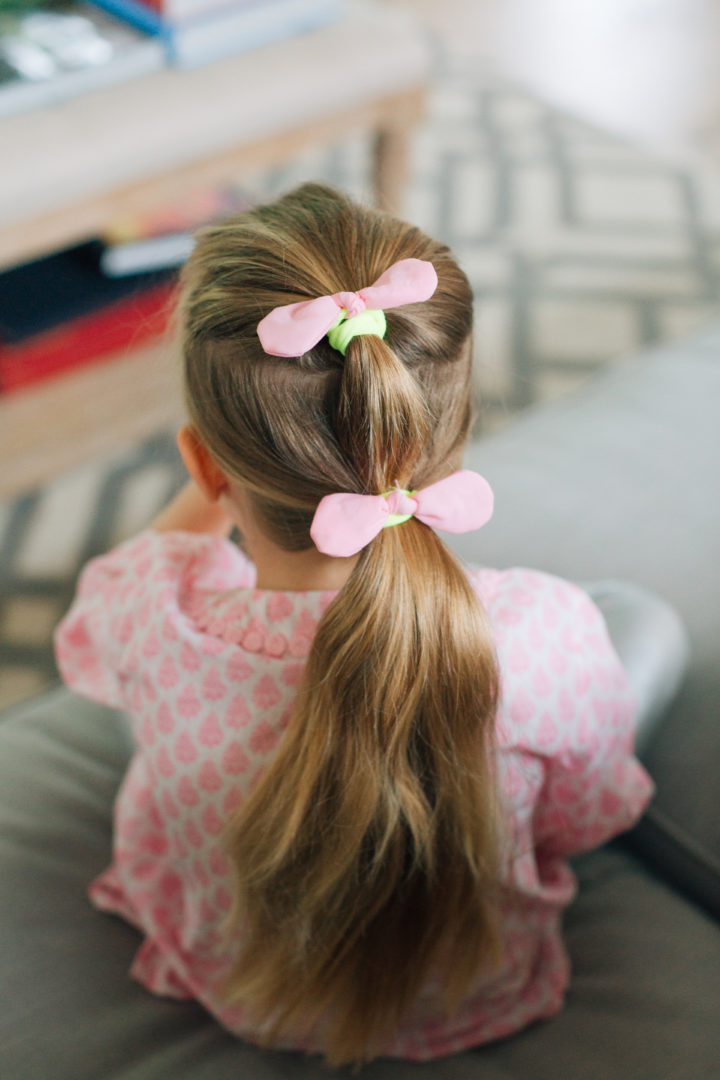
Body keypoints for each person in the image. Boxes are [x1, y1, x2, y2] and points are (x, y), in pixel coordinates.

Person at [54, 183, 653, 1068]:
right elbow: (589, 816)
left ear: (203, 465)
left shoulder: (150, 604)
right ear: (445, 432)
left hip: (241, 991)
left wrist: (215, 478)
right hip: (481, 992)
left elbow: (92, 643)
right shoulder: (541, 631)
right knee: (637, 623)